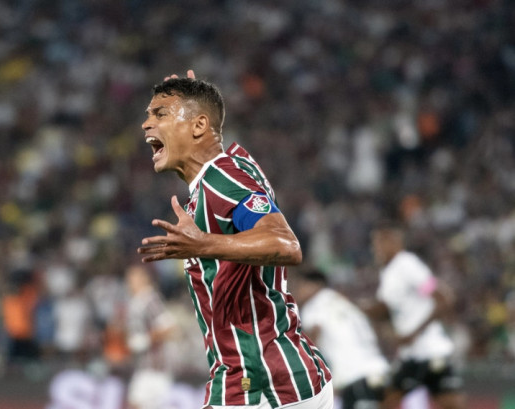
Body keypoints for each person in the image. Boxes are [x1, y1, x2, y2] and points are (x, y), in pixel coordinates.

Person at [137, 70, 333, 409]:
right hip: (281, 372)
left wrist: (203, 245)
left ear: (199, 126)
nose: (146, 124)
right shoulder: (229, 169)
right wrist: (190, 99)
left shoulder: (221, 180)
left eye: (160, 114)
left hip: (259, 382)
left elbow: (286, 244)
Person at [363, 222, 465, 409]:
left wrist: (414, 333)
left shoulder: (407, 265)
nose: (375, 249)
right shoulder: (390, 271)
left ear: (393, 242)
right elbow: (386, 309)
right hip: (415, 354)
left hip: (428, 350)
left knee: (386, 401)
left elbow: (442, 298)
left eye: (379, 243)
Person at [296, 269, 389, 409]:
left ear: (314, 285)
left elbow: (313, 339)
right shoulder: (343, 301)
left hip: (354, 376)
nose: (297, 291)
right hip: (378, 369)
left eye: (301, 285)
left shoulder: (314, 304)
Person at [124, 264, 177, 409]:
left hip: (155, 369)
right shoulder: (137, 302)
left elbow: (168, 326)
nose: (129, 282)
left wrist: (143, 340)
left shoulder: (150, 300)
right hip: (144, 366)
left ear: (144, 279)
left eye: (133, 278)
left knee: (134, 405)